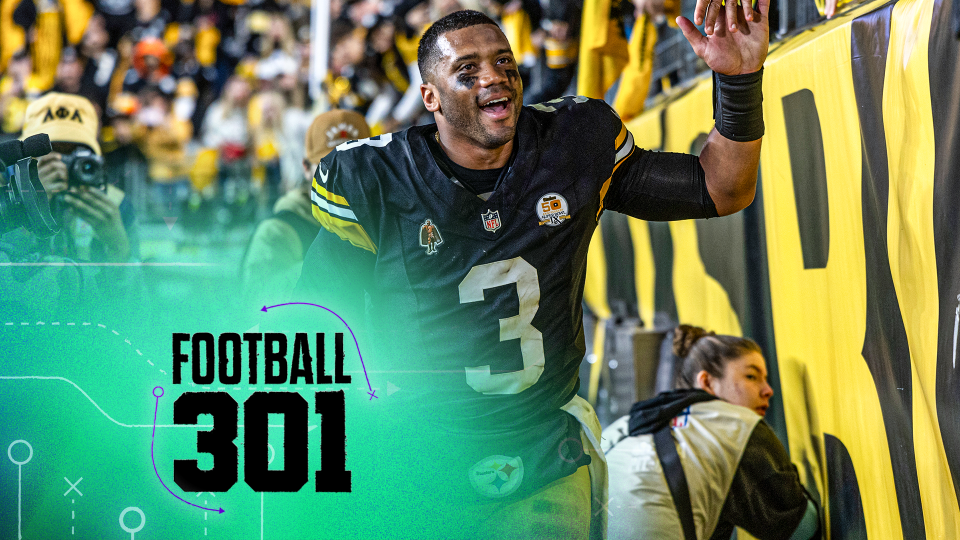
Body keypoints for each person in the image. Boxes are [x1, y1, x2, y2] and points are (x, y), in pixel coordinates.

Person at [296, 5, 768, 538]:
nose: (493, 77)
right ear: (431, 99)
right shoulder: (378, 182)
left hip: (544, 449)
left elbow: (722, 188)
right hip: (420, 452)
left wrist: (738, 84)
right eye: (467, 71)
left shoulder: (571, 144)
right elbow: (307, 325)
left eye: (503, 63)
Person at [602, 325, 822, 540]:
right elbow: (802, 530)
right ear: (706, 382)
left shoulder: (625, 426)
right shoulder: (737, 424)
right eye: (751, 377)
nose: (768, 390)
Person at [240, 109, 370, 310]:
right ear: (306, 167)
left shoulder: (385, 219)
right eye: (328, 165)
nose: (342, 175)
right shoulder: (277, 231)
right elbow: (259, 304)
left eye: (356, 164)